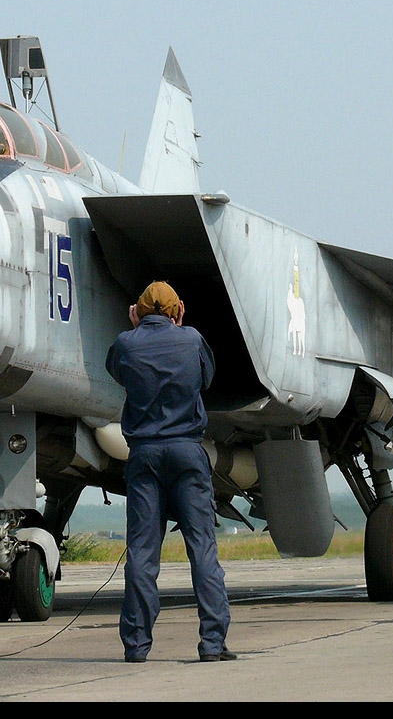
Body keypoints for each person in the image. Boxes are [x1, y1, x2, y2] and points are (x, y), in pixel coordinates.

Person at [105, 280, 233, 663]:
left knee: (143, 554)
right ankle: (212, 643)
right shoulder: (192, 340)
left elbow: (118, 373)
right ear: (178, 311)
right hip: (187, 452)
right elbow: (207, 379)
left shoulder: (126, 344)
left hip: (144, 455)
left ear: (138, 311)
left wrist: (135, 330)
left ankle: (137, 646)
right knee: (202, 549)